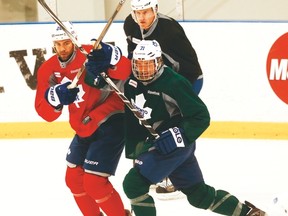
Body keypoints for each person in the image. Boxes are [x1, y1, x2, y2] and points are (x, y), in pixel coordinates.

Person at [84, 39, 266, 216]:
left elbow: (200, 116)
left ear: (159, 62)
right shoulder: (131, 78)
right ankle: (247, 213)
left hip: (173, 145)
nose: (143, 70)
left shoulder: (174, 83)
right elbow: (103, 82)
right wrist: (93, 71)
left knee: (133, 184)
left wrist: (178, 134)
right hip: (164, 146)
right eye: (139, 65)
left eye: (148, 64)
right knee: (198, 195)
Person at [34, 21, 131, 216]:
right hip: (84, 126)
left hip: (110, 118)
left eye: (66, 43)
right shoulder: (48, 68)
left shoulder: (91, 54)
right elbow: (44, 110)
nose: (62, 48)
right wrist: (53, 98)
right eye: (58, 44)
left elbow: (126, 72)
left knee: (94, 182)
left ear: (74, 40)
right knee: (73, 180)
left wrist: (112, 58)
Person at [124, 0, 204, 195]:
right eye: (137, 13)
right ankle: (149, 166)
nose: (141, 18)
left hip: (184, 80)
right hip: (150, 79)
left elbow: (187, 67)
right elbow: (132, 56)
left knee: (172, 124)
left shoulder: (170, 30)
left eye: (146, 12)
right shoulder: (129, 24)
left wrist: (172, 93)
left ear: (155, 10)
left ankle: (171, 171)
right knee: (146, 120)